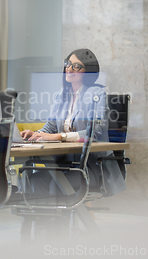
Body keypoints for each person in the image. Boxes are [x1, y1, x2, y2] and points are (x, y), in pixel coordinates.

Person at [20, 48, 126, 197]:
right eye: (68, 64)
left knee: (55, 185)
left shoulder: (96, 94)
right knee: (33, 179)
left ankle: (58, 219)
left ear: (88, 72)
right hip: (63, 163)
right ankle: (41, 219)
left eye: (76, 66)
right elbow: (51, 125)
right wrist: (36, 134)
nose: (69, 68)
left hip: (89, 167)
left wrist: (59, 137)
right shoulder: (62, 95)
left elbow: (95, 132)